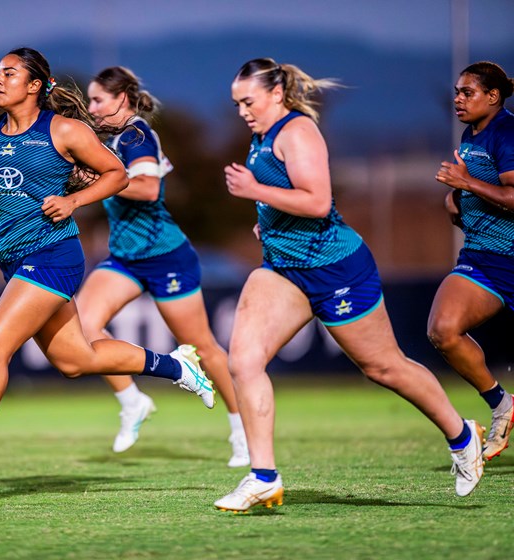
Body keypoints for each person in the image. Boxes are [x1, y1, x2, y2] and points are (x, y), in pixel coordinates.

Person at [0, 47, 215, 482]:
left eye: (9, 73)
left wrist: (73, 200)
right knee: (75, 361)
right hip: (12, 257)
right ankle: (178, 366)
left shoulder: (63, 130)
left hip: (53, 255)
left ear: (34, 86)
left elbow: (118, 174)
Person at [213, 58, 484, 513]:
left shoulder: (297, 132)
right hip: (283, 268)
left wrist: (256, 194)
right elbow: (288, 197)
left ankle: (462, 434)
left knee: (384, 368)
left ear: (276, 94)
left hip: (336, 268)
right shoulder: (261, 134)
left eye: (248, 101)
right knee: (243, 360)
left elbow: (318, 202)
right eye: (237, 103)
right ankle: (263, 477)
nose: (242, 110)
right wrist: (268, 222)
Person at [77, 66, 248, 466]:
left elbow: (148, 187)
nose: (91, 106)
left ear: (121, 99)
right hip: (125, 257)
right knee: (83, 324)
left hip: (165, 256)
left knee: (201, 347)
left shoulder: (137, 136)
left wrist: (96, 183)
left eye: (98, 99)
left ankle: (242, 429)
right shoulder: (114, 139)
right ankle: (132, 400)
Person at [428, 61, 514, 462]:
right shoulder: (470, 134)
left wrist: (464, 184)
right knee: (443, 331)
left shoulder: (507, 132)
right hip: (483, 256)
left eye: (468, 92)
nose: (458, 99)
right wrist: (456, 203)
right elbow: (477, 194)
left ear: (493, 97)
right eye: (457, 92)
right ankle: (501, 404)